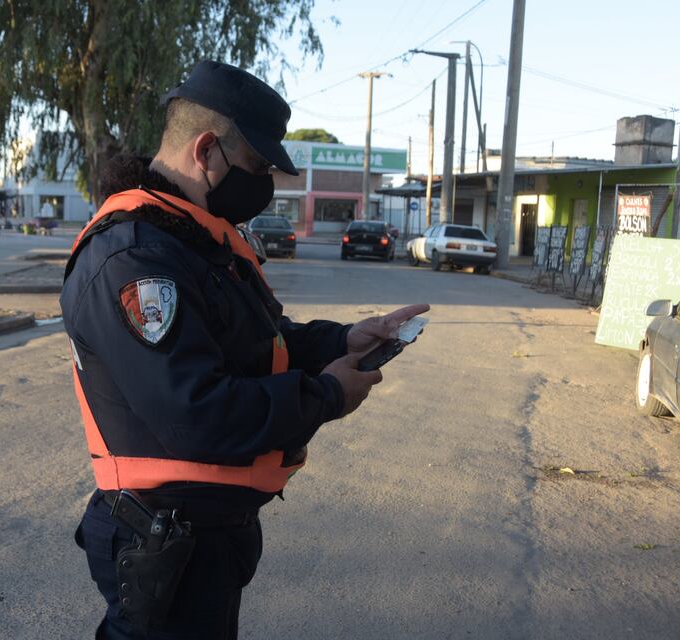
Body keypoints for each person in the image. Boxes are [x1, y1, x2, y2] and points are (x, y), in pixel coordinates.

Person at [60, 60, 429, 639]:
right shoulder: (134, 259)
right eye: (257, 165)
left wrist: (345, 339)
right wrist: (328, 394)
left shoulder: (200, 240)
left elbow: (265, 341)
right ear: (206, 151)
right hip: (163, 542)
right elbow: (196, 415)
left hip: (204, 540)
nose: (265, 182)